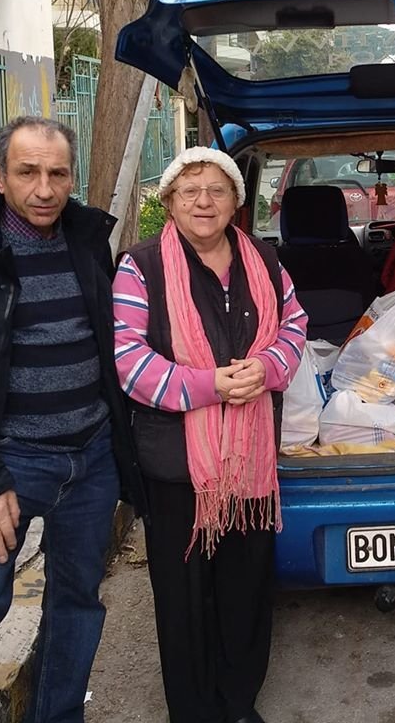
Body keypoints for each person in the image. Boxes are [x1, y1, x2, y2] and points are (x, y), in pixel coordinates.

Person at [0, 116, 143, 723]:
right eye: (27, 172)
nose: (44, 188)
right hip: (3, 464)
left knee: (77, 602)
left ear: (71, 177)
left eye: (57, 173)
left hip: (91, 461)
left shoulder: (89, 240)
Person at [112, 146, 307, 723]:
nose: (204, 201)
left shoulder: (266, 263)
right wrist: (210, 385)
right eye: (190, 189)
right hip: (176, 464)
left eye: (217, 190)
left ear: (235, 203)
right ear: (169, 201)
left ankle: (238, 701)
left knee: (246, 588)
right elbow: (128, 360)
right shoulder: (139, 266)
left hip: (248, 461)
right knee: (184, 597)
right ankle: (194, 711)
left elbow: (295, 325)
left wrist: (269, 368)